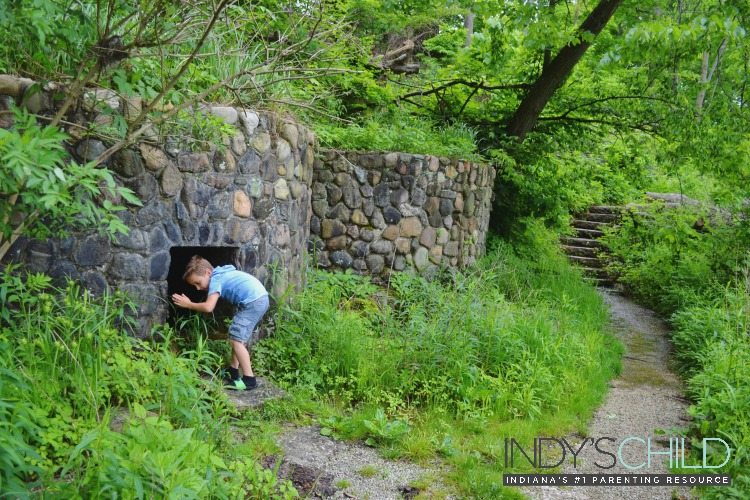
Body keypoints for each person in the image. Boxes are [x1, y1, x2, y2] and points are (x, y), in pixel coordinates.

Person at [172, 255, 269, 390]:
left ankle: (249, 380)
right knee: (238, 339)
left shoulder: (216, 278)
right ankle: (233, 372)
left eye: (198, 283)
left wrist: (189, 304)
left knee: (236, 341)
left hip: (253, 302)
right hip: (258, 299)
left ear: (208, 273)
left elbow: (208, 307)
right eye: (194, 285)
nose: (198, 288)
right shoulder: (222, 273)